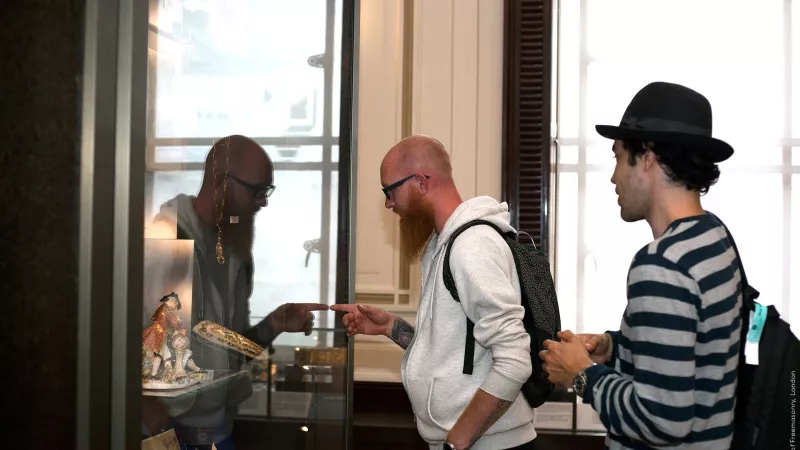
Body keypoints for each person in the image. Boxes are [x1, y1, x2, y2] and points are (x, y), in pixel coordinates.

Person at [539, 82, 743, 450]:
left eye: (618, 157)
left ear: (646, 157)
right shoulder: (714, 238)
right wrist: (615, 348)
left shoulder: (662, 264)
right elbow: (694, 356)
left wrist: (582, 374)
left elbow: (662, 420)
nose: (613, 176)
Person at [331, 135, 536, 450]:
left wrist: (457, 441)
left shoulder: (471, 247)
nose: (388, 203)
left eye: (390, 190)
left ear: (420, 182)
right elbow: (451, 353)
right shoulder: (441, 245)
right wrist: (389, 326)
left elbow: (515, 359)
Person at [143, 135, 328, 449]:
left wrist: (273, 326)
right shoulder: (166, 242)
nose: (263, 202)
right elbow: (133, 353)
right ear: (221, 181)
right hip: (172, 434)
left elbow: (226, 352)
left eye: (266, 191)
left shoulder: (234, 251)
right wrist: (159, 430)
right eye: (257, 191)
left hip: (217, 431)